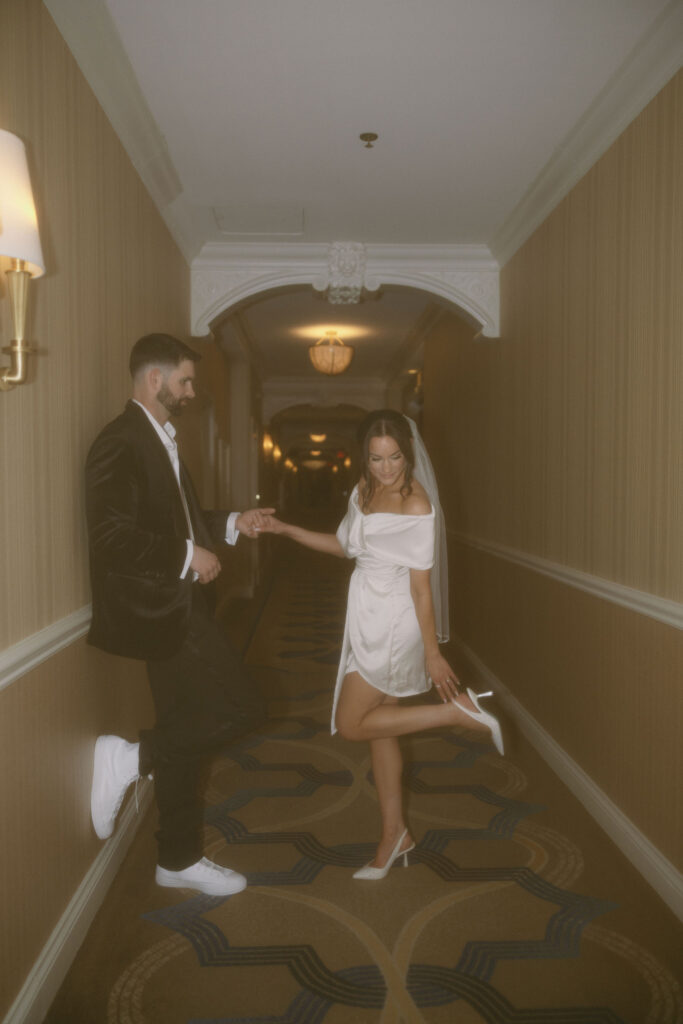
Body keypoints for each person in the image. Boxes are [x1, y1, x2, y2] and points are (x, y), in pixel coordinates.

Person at [258, 409, 503, 879]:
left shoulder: (416, 504)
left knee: (352, 724)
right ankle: (396, 835)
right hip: (366, 615)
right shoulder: (363, 491)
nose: (386, 468)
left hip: (395, 622)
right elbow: (345, 546)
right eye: (376, 458)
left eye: (394, 458)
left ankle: (456, 712)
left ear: (407, 454)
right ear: (364, 458)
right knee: (381, 729)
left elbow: (420, 588)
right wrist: (284, 529)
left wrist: (433, 652)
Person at [85, 333, 272, 896]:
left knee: (185, 726)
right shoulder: (119, 442)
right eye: (185, 381)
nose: (191, 392)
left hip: (178, 605)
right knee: (242, 708)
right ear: (155, 379)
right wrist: (189, 554)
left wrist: (233, 523)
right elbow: (112, 536)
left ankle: (178, 858)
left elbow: (180, 522)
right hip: (159, 609)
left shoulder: (160, 439)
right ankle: (130, 758)